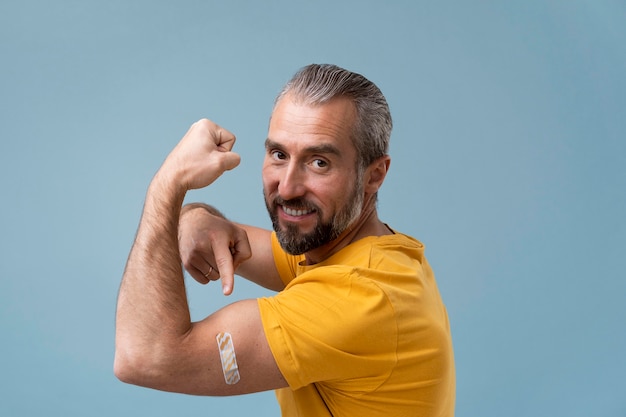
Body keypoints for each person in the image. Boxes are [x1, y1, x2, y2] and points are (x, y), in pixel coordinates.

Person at [114, 64, 455, 416]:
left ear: (374, 175)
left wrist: (168, 184)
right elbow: (229, 233)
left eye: (319, 162)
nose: (288, 187)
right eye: (279, 155)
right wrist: (194, 217)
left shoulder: (359, 299)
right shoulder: (355, 252)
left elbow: (143, 357)